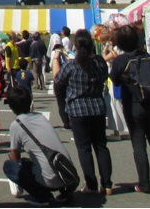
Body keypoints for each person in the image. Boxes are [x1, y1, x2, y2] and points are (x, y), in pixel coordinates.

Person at [108, 24, 150, 193]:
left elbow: (115, 80)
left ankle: (144, 183)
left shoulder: (120, 60)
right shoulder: (146, 56)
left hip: (133, 105)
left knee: (139, 144)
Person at [54, 29, 113, 195]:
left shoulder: (72, 65)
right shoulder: (100, 62)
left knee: (84, 148)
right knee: (101, 146)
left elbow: (58, 80)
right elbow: (104, 77)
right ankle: (107, 184)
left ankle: (91, 184)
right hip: (97, 107)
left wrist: (56, 60)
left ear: (77, 46)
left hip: (78, 109)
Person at [4, 85, 75, 206]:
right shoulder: (40, 117)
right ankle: (63, 192)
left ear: (12, 107)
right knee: (33, 160)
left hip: (50, 179)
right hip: (66, 173)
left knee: (9, 166)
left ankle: (41, 196)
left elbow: (14, 157)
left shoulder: (16, 124)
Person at [50, 42, 71, 130]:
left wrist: (56, 57)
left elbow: (52, 68)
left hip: (59, 80)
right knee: (69, 100)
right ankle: (71, 120)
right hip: (68, 78)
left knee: (61, 103)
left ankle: (66, 123)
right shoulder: (68, 54)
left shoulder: (55, 54)